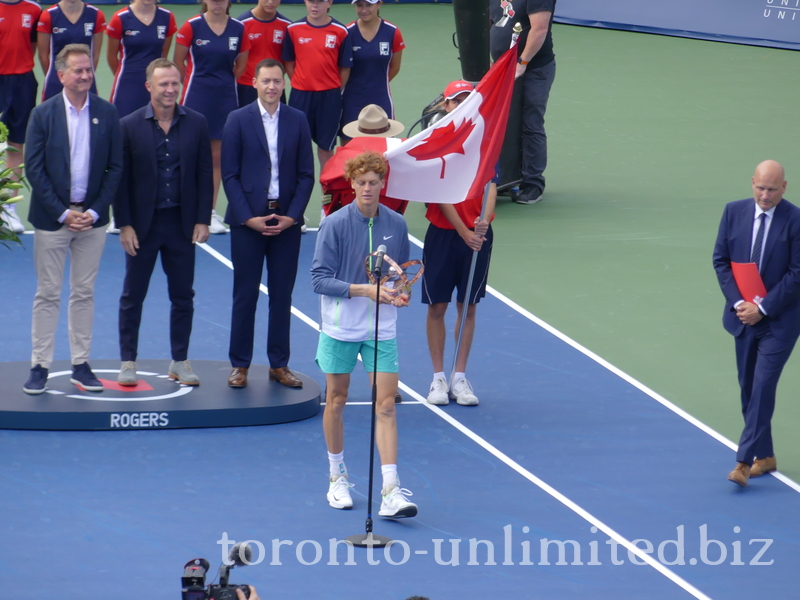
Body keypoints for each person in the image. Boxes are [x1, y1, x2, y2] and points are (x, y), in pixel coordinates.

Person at [311, 151, 417, 518]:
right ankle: (336, 477)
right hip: (340, 327)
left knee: (386, 404)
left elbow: (399, 275)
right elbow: (319, 279)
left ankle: (390, 490)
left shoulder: (397, 224)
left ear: (382, 184)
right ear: (352, 184)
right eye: (362, 182)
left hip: (381, 329)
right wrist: (364, 290)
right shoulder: (335, 224)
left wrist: (400, 293)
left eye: (374, 182)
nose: (368, 188)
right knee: (337, 400)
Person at [22, 43, 122, 394]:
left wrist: (93, 212)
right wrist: (64, 213)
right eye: (78, 70)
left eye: (88, 70)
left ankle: (81, 364)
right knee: (47, 293)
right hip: (53, 221)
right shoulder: (43, 114)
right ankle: (40, 366)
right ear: (61, 75)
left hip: (92, 221)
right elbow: (34, 169)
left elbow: (115, 167)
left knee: (83, 293)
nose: (85, 76)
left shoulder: (107, 113)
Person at [114, 58, 213, 387]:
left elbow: (203, 174)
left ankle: (180, 361)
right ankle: (128, 361)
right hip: (142, 227)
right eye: (163, 84)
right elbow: (121, 180)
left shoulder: (197, 123)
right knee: (132, 295)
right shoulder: (128, 125)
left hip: (181, 225)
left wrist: (203, 218)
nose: (170, 90)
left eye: (175, 83)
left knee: (183, 296)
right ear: (149, 87)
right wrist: (124, 224)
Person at [222, 58, 313, 389]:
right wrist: (248, 218)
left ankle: (279, 364)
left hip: (286, 223)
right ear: (255, 83)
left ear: (284, 84)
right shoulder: (237, 120)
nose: (272, 86)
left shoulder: (298, 120)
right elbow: (230, 175)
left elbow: (306, 174)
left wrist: (293, 216)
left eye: (277, 81)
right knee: (244, 294)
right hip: (248, 224)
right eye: (266, 81)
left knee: (281, 295)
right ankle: (240, 365)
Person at [713, 160, 800, 487]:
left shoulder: (796, 220)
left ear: (784, 187)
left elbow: (797, 275)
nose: (765, 195)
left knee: (763, 387)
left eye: (772, 189)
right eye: (760, 188)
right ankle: (766, 456)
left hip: (779, 323)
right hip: (743, 318)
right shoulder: (733, 212)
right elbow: (721, 260)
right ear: (752, 183)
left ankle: (743, 462)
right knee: (749, 391)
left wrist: (762, 308)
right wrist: (740, 304)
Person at [423, 80, 497, 407]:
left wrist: (484, 221)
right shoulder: (437, 140)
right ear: (447, 105)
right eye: (457, 100)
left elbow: (491, 184)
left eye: (468, 100)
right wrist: (464, 230)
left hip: (478, 236)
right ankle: (438, 378)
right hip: (444, 234)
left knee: (467, 307)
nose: (463, 104)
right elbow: (438, 194)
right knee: (437, 306)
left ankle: (459, 377)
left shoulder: (485, 139)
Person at [174, 0, 250, 234]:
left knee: (216, 157)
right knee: (186, 153)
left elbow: (240, 66)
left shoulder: (238, 28)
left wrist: (221, 83)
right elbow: (179, 62)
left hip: (225, 99)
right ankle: (181, 208)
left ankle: (209, 212)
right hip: (195, 95)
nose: (217, 2)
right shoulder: (191, 26)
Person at [490, 0, 555, 205]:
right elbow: (493, 22)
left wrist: (522, 62)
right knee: (504, 122)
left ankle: (533, 183)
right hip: (502, 68)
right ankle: (508, 178)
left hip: (533, 69)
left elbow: (540, 28)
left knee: (530, 123)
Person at [282, 0, 352, 175]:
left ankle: (326, 200)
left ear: (329, 3)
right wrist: (300, 82)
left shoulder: (340, 31)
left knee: (326, 149)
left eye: (320, 2)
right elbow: (289, 62)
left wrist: (333, 89)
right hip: (300, 97)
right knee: (297, 149)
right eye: (311, 1)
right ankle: (295, 198)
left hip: (329, 99)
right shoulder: (293, 29)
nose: (315, 6)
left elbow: (344, 68)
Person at [0, 0, 43, 234]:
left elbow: (34, 45)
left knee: (16, 145)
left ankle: (8, 209)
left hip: (23, 83)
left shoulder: (34, 9)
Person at [320, 103, 406, 217]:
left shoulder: (340, 157)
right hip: (391, 211)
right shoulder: (403, 155)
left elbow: (328, 185)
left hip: (350, 212)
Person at [340, 0, 404, 142]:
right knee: (349, 148)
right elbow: (341, 68)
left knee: (384, 147)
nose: (364, 10)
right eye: (359, 5)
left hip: (381, 98)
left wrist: (378, 83)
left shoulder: (392, 32)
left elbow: (395, 67)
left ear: (379, 4)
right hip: (352, 101)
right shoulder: (346, 32)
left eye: (368, 5)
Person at [106, 0, 177, 118]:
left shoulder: (167, 17)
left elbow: (163, 55)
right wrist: (125, 76)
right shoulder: (120, 18)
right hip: (127, 83)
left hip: (155, 85)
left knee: (154, 125)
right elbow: (111, 57)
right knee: (122, 126)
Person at [37, 0, 105, 101]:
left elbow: (95, 54)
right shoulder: (48, 15)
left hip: (84, 80)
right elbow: (43, 55)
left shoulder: (96, 14)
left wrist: (83, 74)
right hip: (56, 80)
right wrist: (62, 77)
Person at [235, 0, 290, 107]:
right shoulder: (241, 24)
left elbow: (288, 61)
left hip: (274, 88)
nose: (270, 2)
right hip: (246, 87)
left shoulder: (287, 26)